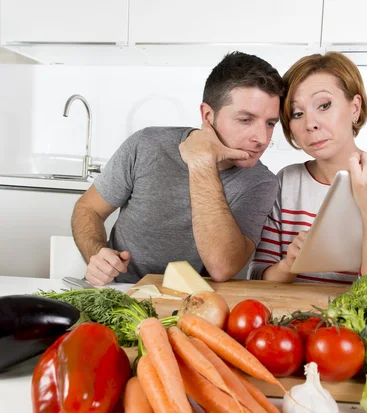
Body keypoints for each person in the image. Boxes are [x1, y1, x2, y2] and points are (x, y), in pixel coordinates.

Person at [72, 52, 284, 285]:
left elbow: (222, 268)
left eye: (270, 123)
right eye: (245, 120)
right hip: (118, 290)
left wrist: (201, 162)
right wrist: (97, 254)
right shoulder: (146, 144)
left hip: (189, 304)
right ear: (207, 115)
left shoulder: (261, 183)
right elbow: (88, 209)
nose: (262, 138)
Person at [248, 52, 367, 285]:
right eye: (297, 113)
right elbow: (258, 276)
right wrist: (289, 265)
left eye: (324, 105)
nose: (310, 124)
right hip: (292, 318)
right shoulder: (287, 182)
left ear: (355, 107)